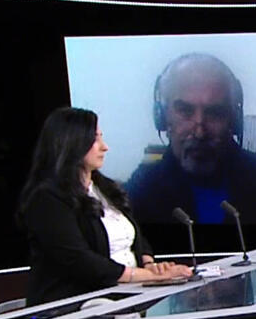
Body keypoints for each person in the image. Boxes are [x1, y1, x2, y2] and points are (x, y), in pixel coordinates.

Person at [18, 107, 192, 306]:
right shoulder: (47, 198)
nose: (104, 147)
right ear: (72, 142)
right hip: (74, 306)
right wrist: (146, 276)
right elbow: (78, 260)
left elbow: (134, 236)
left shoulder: (107, 189)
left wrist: (150, 264)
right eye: (95, 139)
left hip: (125, 297)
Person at [126, 52, 256, 224]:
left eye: (214, 113)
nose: (200, 132)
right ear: (161, 117)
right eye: (185, 111)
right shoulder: (141, 191)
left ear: (234, 119)